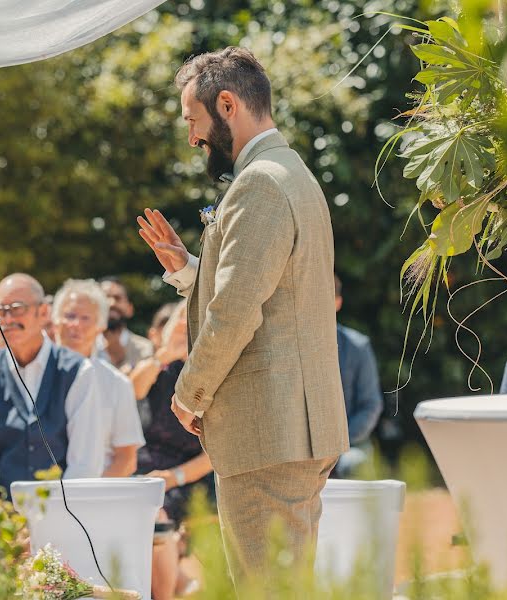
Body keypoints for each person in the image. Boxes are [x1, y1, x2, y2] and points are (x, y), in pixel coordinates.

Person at [138, 47, 349, 584]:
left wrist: (189, 393)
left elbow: (235, 311)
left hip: (268, 431)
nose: (192, 138)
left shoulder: (259, 184)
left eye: (193, 120)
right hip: (291, 428)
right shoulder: (289, 173)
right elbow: (273, 292)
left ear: (226, 104)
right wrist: (188, 271)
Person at [0, 273, 104, 498]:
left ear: (44, 312)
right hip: (1, 521)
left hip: (66, 514)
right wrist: (3, 525)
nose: (7, 319)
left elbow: (84, 466)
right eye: (0, 310)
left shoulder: (79, 372)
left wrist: (53, 521)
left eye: (17, 308)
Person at [136, 302, 213, 600]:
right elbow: (132, 390)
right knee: (149, 510)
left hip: (193, 474)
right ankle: (174, 587)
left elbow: (216, 452)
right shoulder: (155, 366)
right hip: (146, 471)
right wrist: (165, 353)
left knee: (159, 514)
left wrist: (173, 477)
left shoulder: (208, 371)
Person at [52, 279, 145, 477]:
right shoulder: (30, 374)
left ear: (101, 325)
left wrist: (91, 497)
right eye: (69, 315)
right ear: (55, 320)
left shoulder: (117, 383)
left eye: (85, 318)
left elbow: (126, 458)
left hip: (95, 493)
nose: (75, 324)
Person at [333, 274, 384, 478]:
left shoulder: (358, 346)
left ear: (338, 302)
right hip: (305, 449)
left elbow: (371, 405)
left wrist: (338, 444)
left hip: (350, 444)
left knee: (354, 464)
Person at [99, 277, 154, 372]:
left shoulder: (146, 349)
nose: (111, 303)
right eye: (105, 297)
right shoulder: (81, 346)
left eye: (118, 298)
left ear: (130, 309)